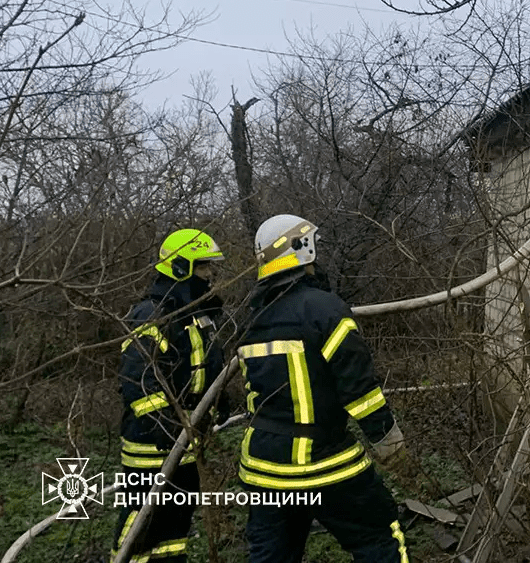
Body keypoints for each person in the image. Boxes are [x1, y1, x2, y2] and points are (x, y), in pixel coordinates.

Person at [238, 213, 407, 563]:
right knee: (379, 539)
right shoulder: (325, 309)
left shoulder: (251, 320)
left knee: (271, 556)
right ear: (303, 248)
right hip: (324, 463)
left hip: (263, 469)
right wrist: (387, 440)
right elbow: (359, 389)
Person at [111, 228, 228, 563]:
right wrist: (166, 426)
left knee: (175, 528)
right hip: (151, 446)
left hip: (188, 440)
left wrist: (218, 401)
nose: (210, 274)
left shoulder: (198, 314)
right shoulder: (151, 316)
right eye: (203, 266)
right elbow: (139, 381)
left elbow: (206, 366)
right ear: (180, 268)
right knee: (141, 526)